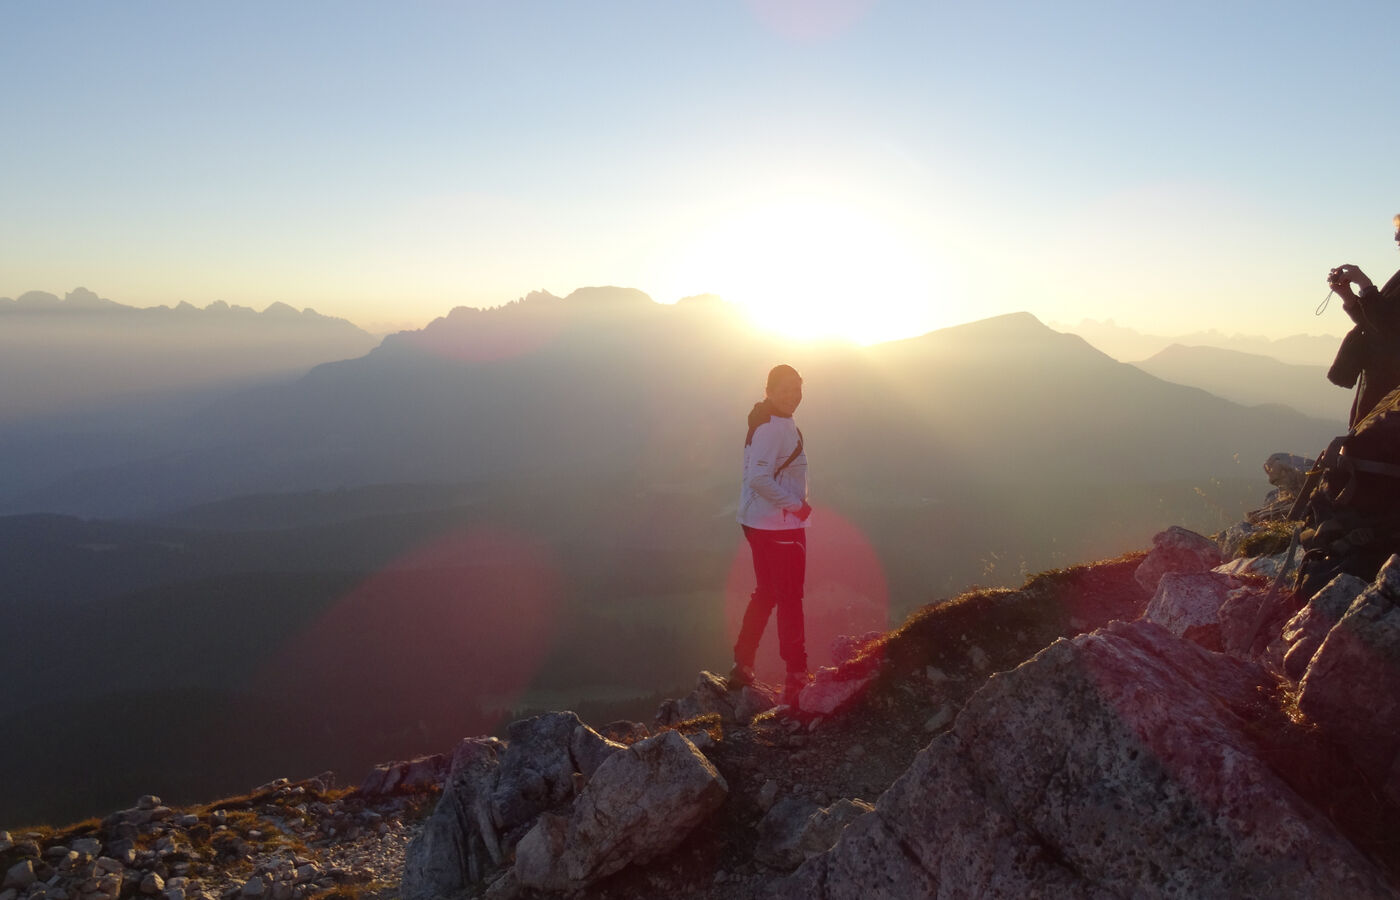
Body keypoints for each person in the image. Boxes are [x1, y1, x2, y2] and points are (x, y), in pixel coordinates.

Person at [730, 364, 813, 709]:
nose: (793, 394)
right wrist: (796, 506)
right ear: (769, 391)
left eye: (797, 387)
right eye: (785, 389)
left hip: (758, 523)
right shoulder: (771, 428)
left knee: (766, 593)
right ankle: (796, 676)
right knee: (790, 598)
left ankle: (742, 663)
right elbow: (759, 480)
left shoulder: (766, 420)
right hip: (779, 526)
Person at [1326, 213, 1400, 427]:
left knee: (1369, 444)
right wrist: (1348, 297)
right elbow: (1376, 323)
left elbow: (1389, 327)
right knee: (1361, 434)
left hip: (1390, 386)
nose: (1396, 239)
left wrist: (1365, 284)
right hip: (1380, 380)